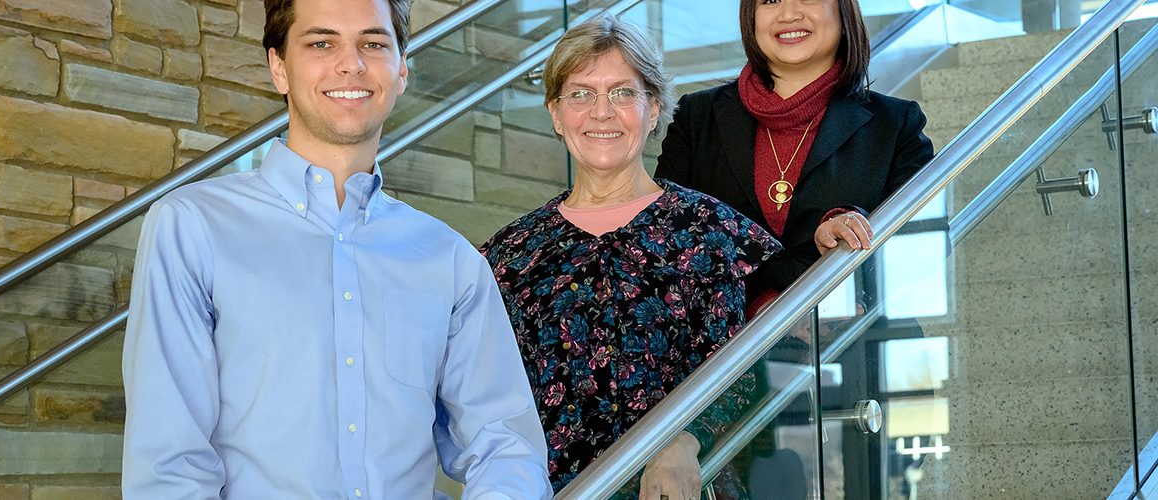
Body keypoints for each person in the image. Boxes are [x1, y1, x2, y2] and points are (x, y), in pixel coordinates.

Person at [121, 0, 550, 498]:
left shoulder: (450, 260)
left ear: (402, 69)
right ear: (279, 67)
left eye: (373, 43)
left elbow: (506, 447)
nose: (352, 63)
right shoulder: (192, 228)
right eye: (322, 43)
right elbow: (169, 466)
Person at [481, 14, 783, 499]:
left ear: (653, 107)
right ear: (556, 114)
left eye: (622, 93)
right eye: (580, 94)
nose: (601, 112)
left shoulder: (709, 231)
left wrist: (686, 440)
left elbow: (740, 377)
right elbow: (491, 405)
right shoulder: (508, 256)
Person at [655, 0, 934, 316]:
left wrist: (849, 233)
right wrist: (760, 305)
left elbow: (922, 250)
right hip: (726, 342)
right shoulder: (695, 117)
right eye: (770, 1)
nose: (788, 14)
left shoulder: (896, 124)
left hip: (852, 335)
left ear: (843, 11)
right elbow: (663, 245)